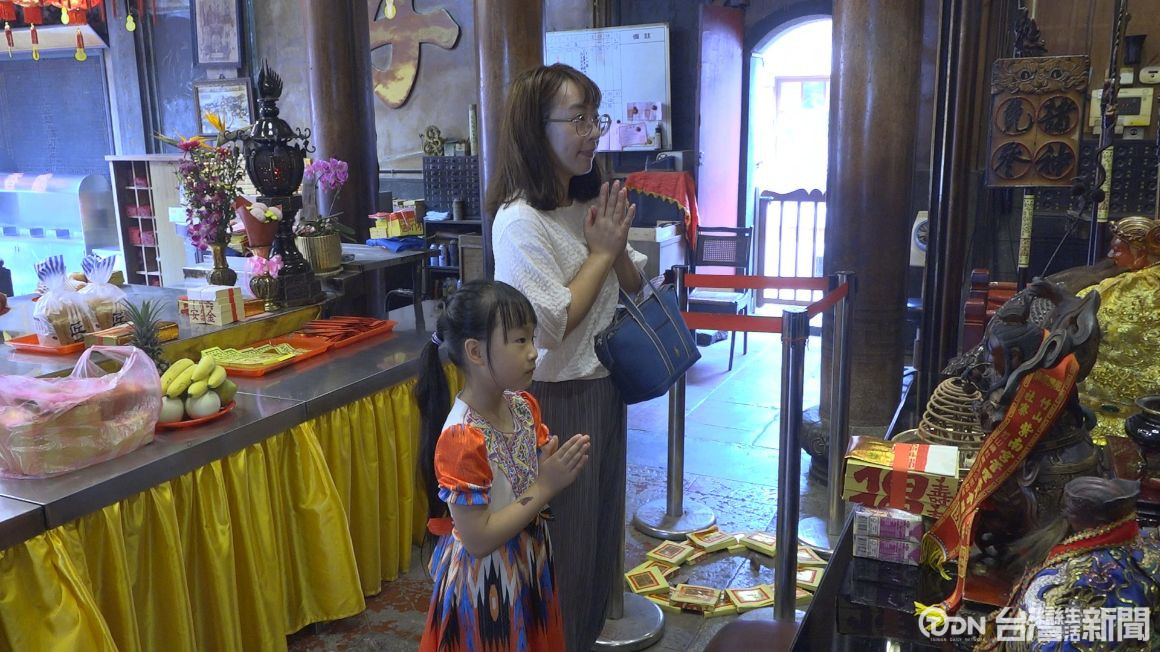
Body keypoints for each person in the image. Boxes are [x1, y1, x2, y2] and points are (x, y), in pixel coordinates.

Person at [488, 63, 648, 651]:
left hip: (605, 386)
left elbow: (634, 286)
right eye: (578, 119)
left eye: (595, 118)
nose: (593, 132)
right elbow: (549, 326)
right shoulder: (518, 222)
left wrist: (616, 247)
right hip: (556, 401)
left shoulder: (582, 204)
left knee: (601, 540)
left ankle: (581, 636)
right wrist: (601, 253)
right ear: (537, 129)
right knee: (567, 554)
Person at [415, 280, 592, 652]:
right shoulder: (462, 438)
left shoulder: (522, 406)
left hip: (528, 562)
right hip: (486, 583)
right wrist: (545, 486)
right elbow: (478, 539)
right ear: (475, 352)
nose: (533, 352)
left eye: (532, 338)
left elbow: (517, 483)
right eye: (520, 340)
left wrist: (543, 464)